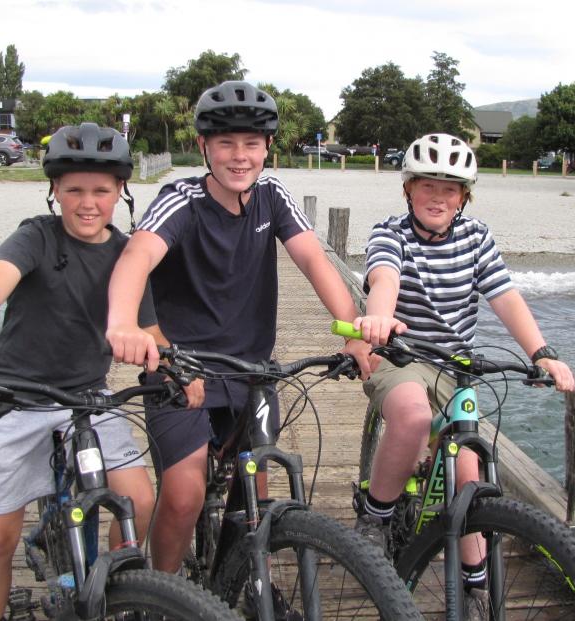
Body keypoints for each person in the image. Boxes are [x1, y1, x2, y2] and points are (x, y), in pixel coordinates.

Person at [105, 80, 373, 575]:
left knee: (255, 485)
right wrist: (124, 322)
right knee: (184, 493)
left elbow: (314, 259)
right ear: (204, 146)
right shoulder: (180, 199)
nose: (239, 156)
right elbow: (136, 255)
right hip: (179, 369)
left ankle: (239, 580)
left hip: (251, 369)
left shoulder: (271, 196)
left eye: (252, 143)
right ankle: (164, 594)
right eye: (225, 142)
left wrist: (351, 332)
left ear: (268, 147)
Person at [0, 123, 161, 621]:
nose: (87, 203)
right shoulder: (35, 236)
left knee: (140, 502)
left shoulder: (127, 256)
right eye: (73, 190)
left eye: (101, 191)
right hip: (17, 401)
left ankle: (111, 585)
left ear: (121, 191)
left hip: (88, 398)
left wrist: (171, 360)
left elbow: (149, 329)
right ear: (54, 191)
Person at [351, 133, 575, 618]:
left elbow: (505, 297)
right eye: (427, 185)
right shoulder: (390, 232)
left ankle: (476, 589)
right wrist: (380, 318)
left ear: (464, 197)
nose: (438, 196)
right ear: (408, 189)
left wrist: (542, 352)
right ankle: (375, 516)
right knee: (411, 417)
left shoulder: (476, 238)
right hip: (401, 356)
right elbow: (384, 278)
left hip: (456, 367)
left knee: (466, 470)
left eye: (450, 188)